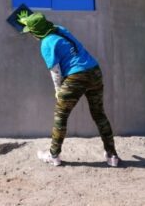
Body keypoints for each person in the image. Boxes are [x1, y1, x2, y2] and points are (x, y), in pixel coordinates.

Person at [17, 11, 119, 167]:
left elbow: (55, 71)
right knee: (99, 114)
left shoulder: (46, 43)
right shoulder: (59, 29)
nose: (31, 35)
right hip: (94, 71)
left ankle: (53, 155)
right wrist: (27, 20)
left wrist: (58, 90)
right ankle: (112, 156)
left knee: (61, 115)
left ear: (36, 32)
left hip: (75, 77)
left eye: (31, 32)